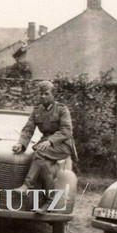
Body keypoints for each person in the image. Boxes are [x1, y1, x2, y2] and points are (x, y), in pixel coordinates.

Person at [12, 80, 77, 211]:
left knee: (39, 152)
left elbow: (66, 130)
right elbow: (28, 129)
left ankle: (27, 185)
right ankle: (49, 202)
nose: (43, 96)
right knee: (45, 166)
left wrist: (50, 141)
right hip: (47, 145)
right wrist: (21, 143)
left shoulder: (61, 109)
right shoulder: (37, 111)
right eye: (41, 94)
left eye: (46, 94)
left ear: (53, 95)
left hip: (63, 145)